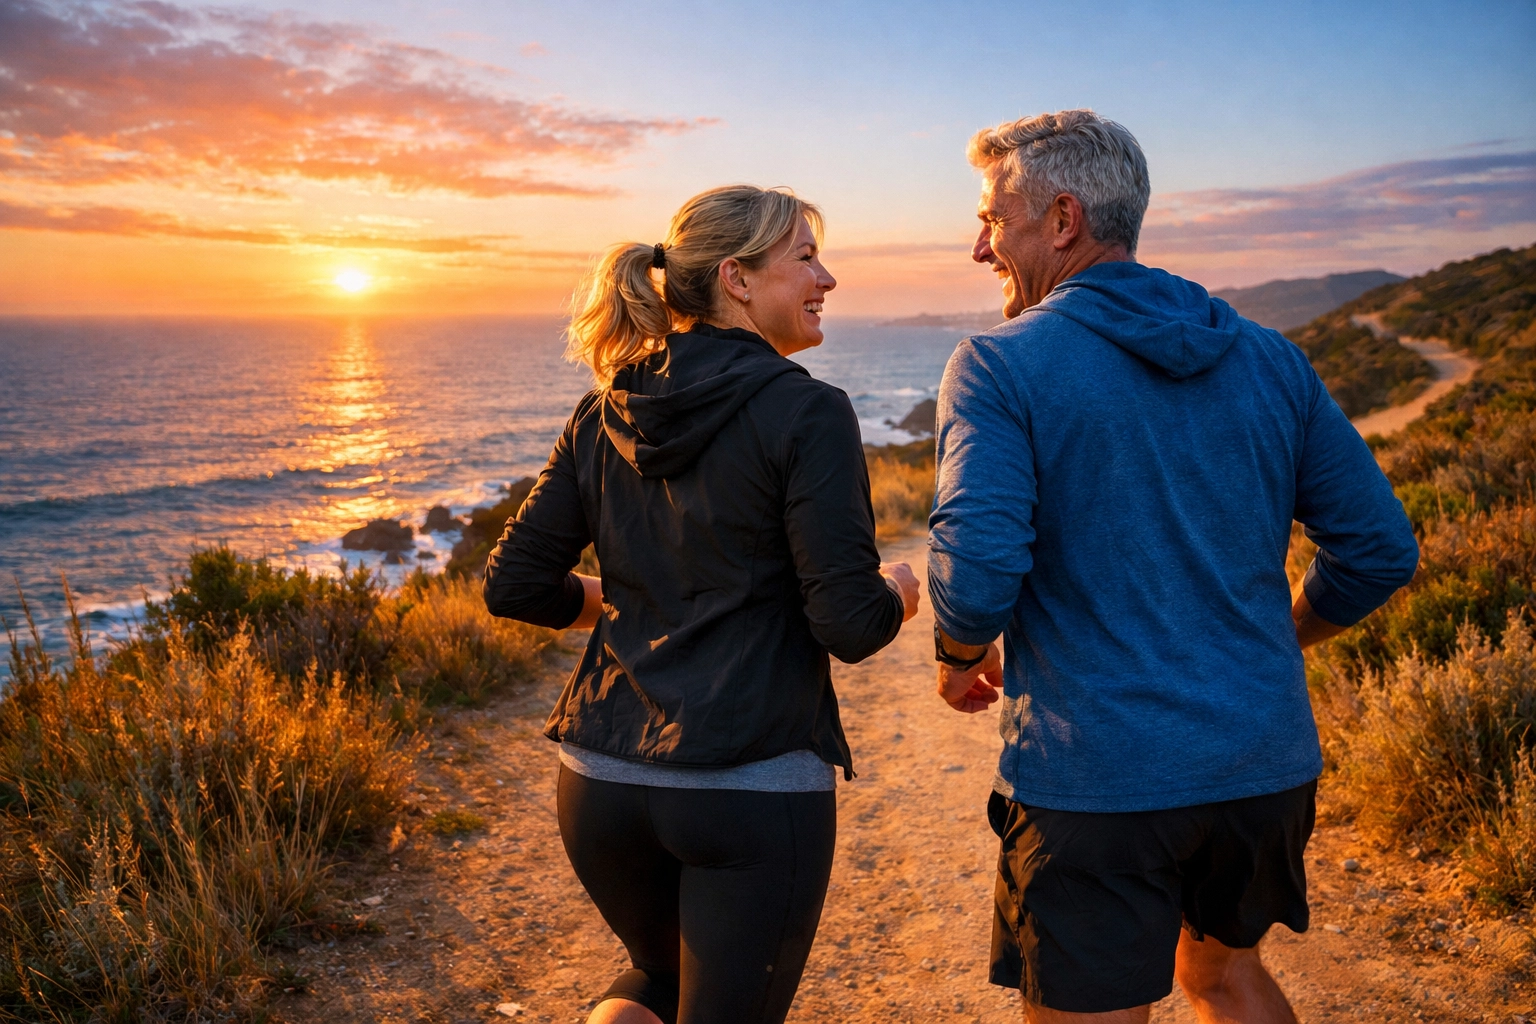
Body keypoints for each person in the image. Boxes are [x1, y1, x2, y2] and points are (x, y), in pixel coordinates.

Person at [926, 110, 1419, 1023]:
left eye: (992, 220)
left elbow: (976, 575)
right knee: (1221, 977)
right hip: (1263, 766)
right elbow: (1381, 551)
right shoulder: (1270, 358)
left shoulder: (999, 364)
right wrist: (1283, 638)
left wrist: (959, 655)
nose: (979, 248)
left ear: (1063, 218)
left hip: (1098, 778)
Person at [483, 184, 920, 1024]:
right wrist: (897, 593)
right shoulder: (809, 410)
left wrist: (626, 606)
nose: (827, 277)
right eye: (805, 257)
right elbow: (848, 625)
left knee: (652, 980)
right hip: (747, 790)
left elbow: (517, 585)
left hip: (600, 784)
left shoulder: (607, 405)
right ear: (738, 278)